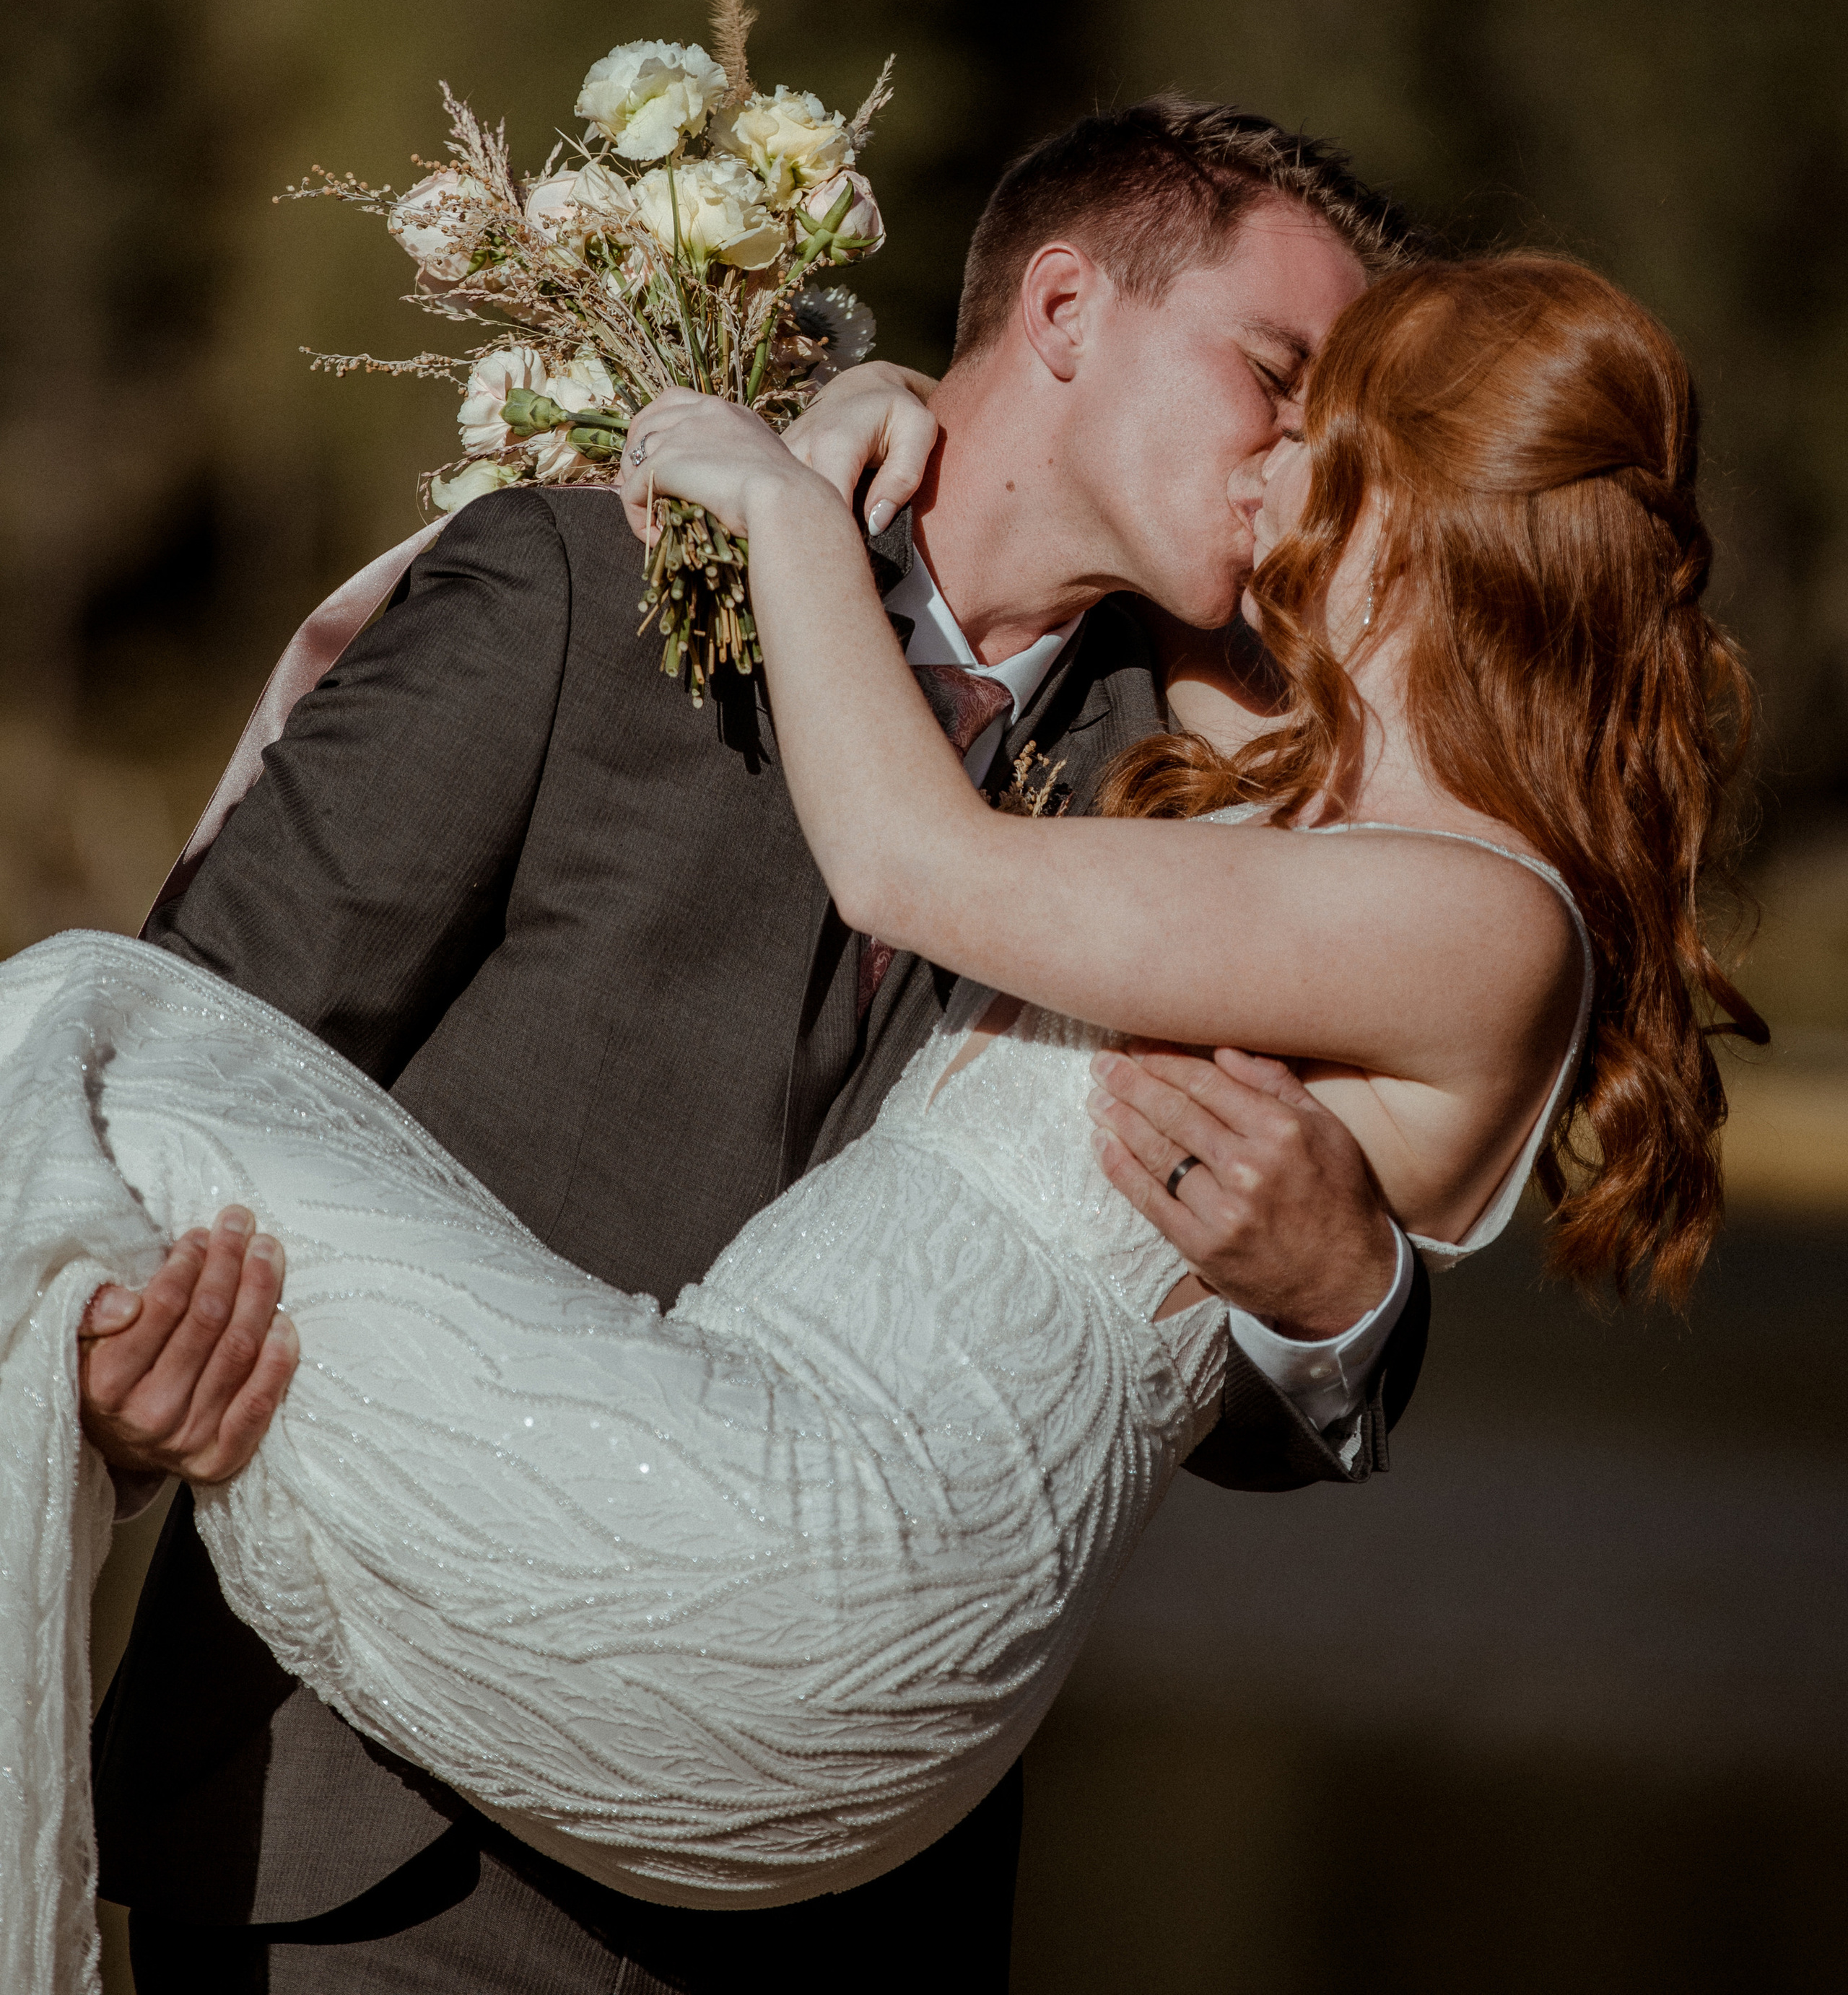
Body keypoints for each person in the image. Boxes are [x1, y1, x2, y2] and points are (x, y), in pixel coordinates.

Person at [10, 243, 1757, 1995]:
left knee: (60, 1037)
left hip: (816, 1770)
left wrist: (1336, 1300)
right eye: (1265, 374)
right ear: (1066, 312)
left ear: (1413, 498)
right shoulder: (585, 594)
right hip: (371, 1852)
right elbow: (244, 1001)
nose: (1261, 461)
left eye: (1315, 415)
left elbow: (920, 870)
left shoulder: (1226, 777)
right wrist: (108, 1377)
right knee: (91, 1051)